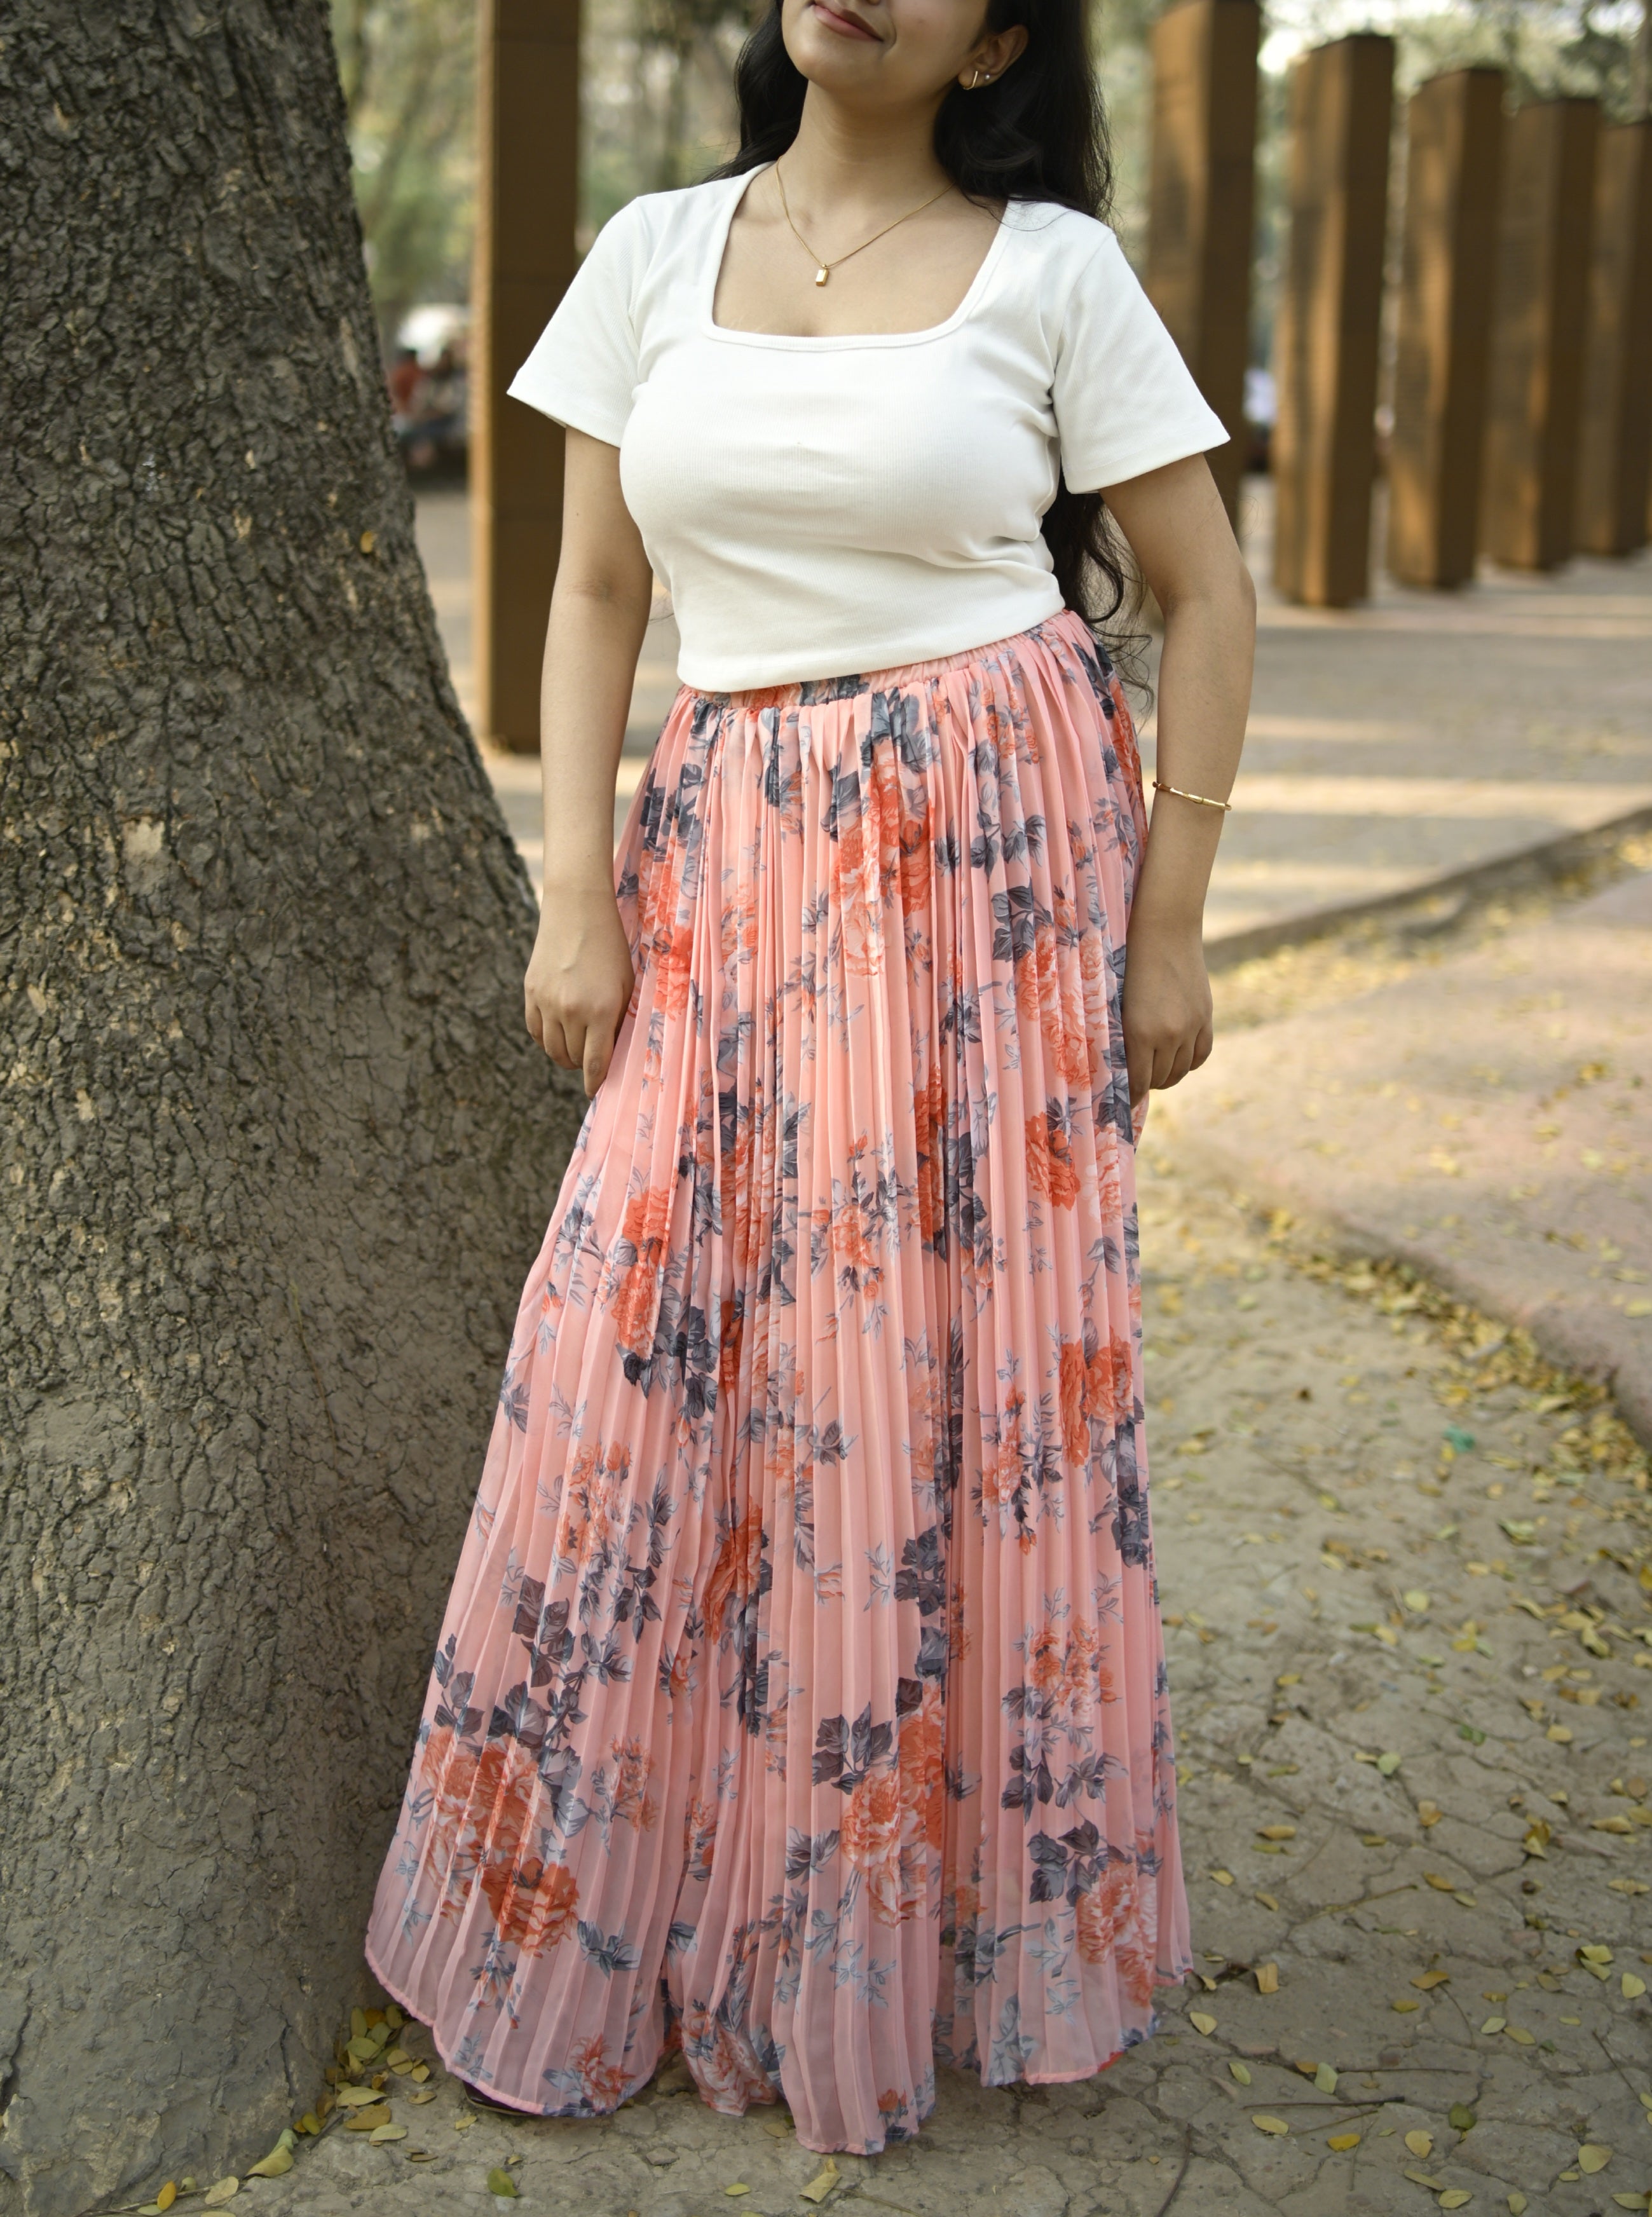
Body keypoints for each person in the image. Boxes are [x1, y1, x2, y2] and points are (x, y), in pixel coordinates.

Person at [364, 0, 1255, 2159]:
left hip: (998, 870)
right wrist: (571, 890)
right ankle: (610, 1906)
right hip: (732, 850)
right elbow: (591, 595)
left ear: (994, 43)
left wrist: (1173, 921)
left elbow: (1208, 596)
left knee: (952, 1375)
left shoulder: (1055, 272)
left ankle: (900, 1948)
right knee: (643, 1346)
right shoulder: (656, 250)